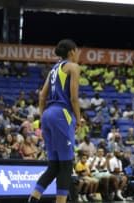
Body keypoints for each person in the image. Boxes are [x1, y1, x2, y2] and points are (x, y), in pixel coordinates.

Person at [28, 39, 81, 203]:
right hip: (62, 114)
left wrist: (44, 117)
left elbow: (42, 96)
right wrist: (79, 120)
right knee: (66, 165)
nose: (77, 54)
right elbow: (73, 98)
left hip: (48, 115)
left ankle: (33, 199)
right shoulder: (73, 67)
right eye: (77, 51)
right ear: (72, 51)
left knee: (54, 166)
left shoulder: (53, 70)